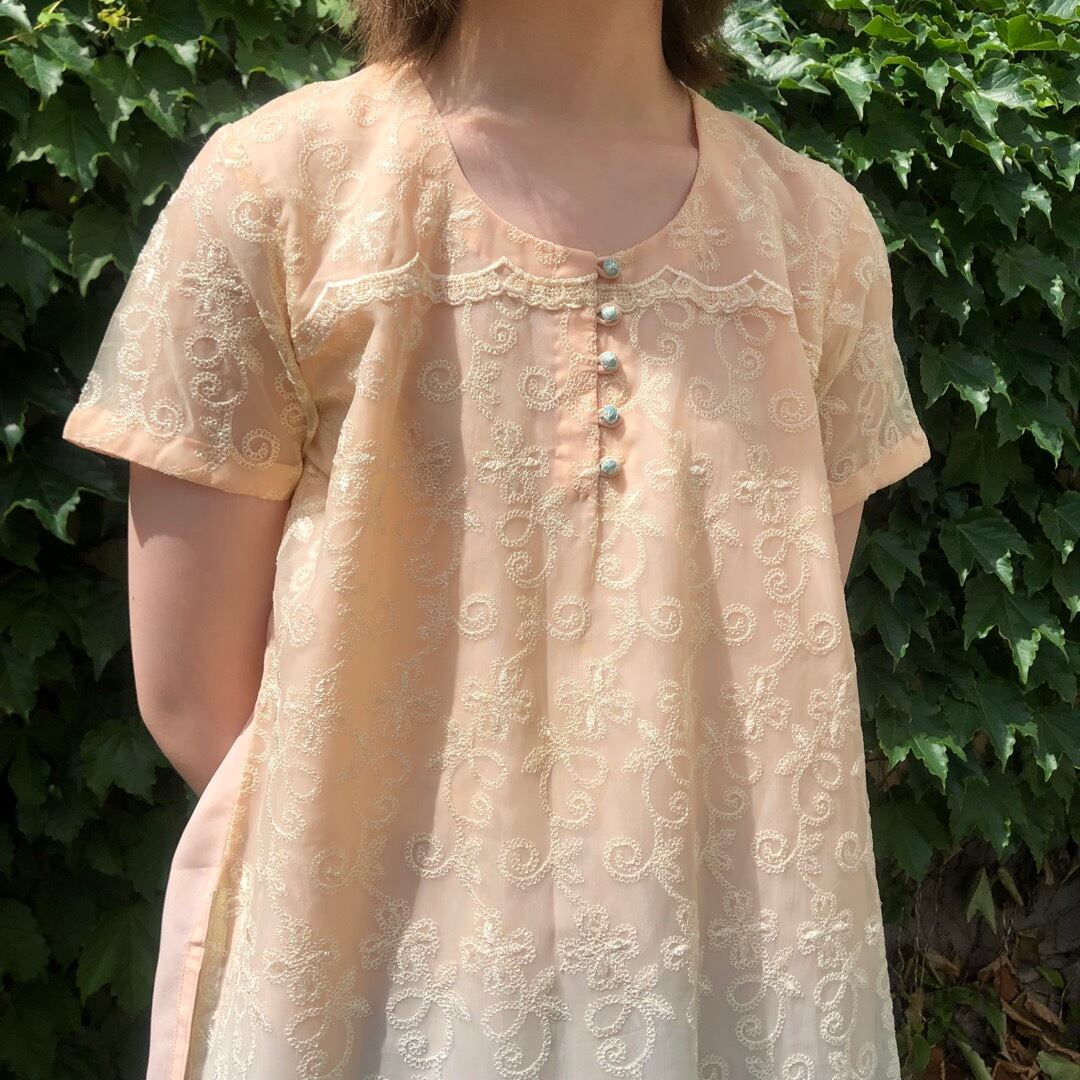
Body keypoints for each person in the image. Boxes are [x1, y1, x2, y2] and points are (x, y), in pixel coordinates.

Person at [61, 1, 932, 1077]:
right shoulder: (278, 193)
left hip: (714, 987)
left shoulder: (816, 236)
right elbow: (197, 702)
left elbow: (761, 688)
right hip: (377, 999)